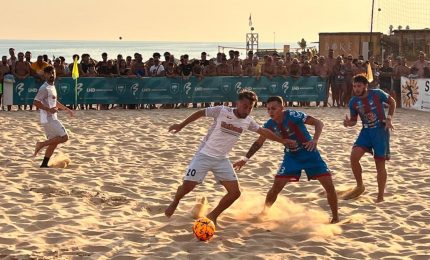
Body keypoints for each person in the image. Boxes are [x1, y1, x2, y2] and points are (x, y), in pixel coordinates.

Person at [164, 90, 291, 225]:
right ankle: (175, 201)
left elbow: (264, 132)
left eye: (250, 108)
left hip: (221, 160)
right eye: (245, 106)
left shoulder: (248, 121)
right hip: (204, 155)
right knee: (187, 187)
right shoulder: (221, 111)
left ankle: (212, 216)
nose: (247, 110)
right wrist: (181, 125)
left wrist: (282, 141)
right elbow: (200, 113)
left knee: (235, 193)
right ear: (237, 103)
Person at [233, 96, 339, 223]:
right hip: (291, 157)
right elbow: (258, 142)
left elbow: (318, 123)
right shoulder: (269, 124)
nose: (271, 112)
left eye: (274, 108)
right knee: (276, 187)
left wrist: (315, 140)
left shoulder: (293, 115)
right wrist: (244, 159)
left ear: (282, 108)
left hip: (310, 155)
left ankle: (336, 218)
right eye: (268, 109)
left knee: (329, 186)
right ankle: (264, 213)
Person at [343, 75, 396, 202]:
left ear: (365, 86)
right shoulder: (353, 102)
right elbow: (354, 121)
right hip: (365, 131)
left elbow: (392, 102)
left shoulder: (377, 94)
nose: (356, 89)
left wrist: (389, 118)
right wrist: (348, 123)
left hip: (380, 131)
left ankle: (380, 197)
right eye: (354, 86)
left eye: (359, 86)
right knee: (354, 157)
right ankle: (360, 185)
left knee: (380, 165)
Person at [33, 66, 74, 167]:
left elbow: (55, 102)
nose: (51, 75)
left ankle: (44, 164)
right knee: (65, 137)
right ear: (45, 75)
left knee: (54, 143)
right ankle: (41, 144)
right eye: (49, 73)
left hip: (51, 118)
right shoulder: (44, 88)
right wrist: (48, 109)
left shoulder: (52, 86)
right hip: (48, 118)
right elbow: (35, 102)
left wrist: (66, 109)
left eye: (53, 73)